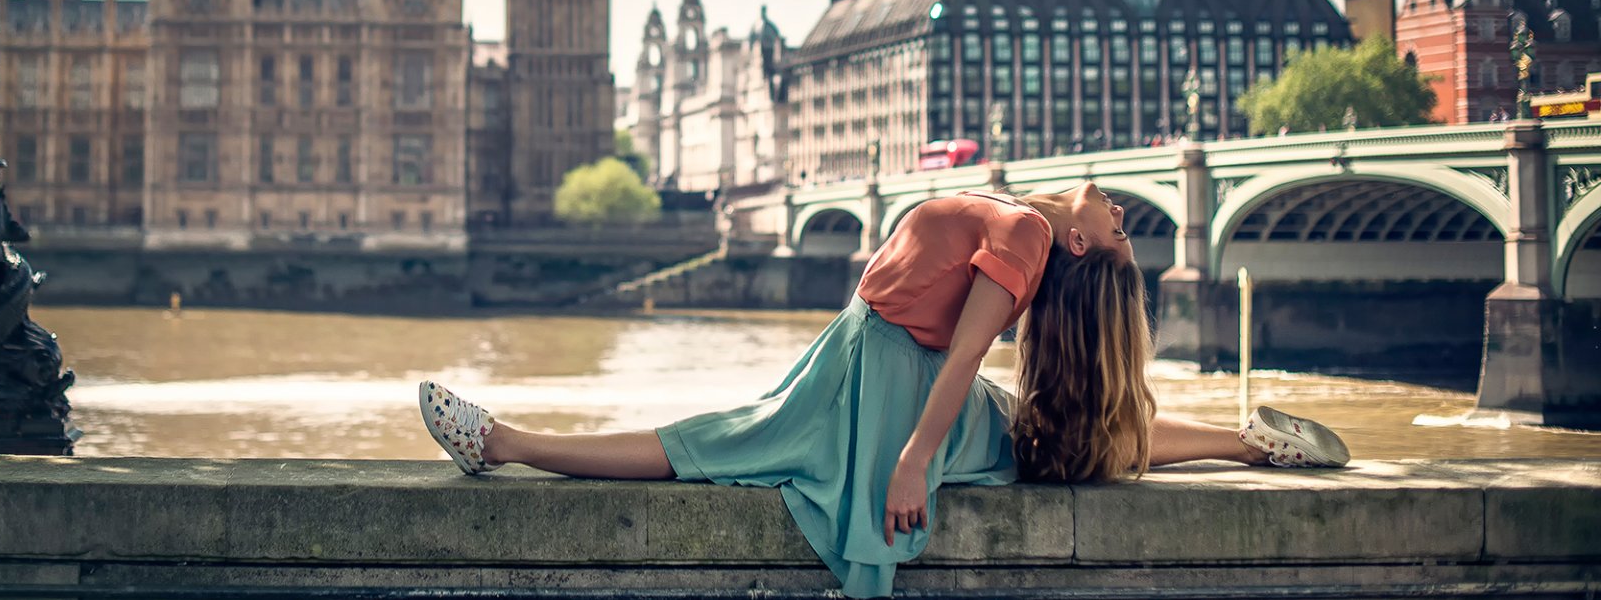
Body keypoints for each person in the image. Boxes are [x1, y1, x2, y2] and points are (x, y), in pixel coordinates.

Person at [419, 184, 1348, 598]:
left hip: (895, 389)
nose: (1121, 217)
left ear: (1077, 247)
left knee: (702, 448)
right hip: (867, 363)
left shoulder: (1026, 241)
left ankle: (503, 442)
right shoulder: (1026, 220)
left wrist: (909, 464)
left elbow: (965, 353)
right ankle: (1252, 443)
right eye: (1127, 226)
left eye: (1121, 232)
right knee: (1053, 435)